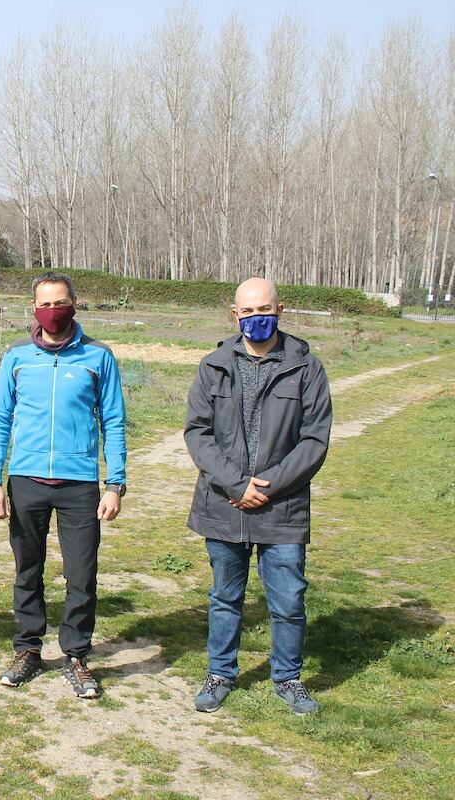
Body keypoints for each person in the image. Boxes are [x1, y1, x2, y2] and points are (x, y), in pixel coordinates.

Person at [184, 277, 332, 715]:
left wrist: (266, 487)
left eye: (263, 309)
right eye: (247, 312)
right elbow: (198, 433)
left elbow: (314, 440)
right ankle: (220, 673)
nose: (255, 318)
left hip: (282, 507)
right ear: (235, 315)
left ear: (280, 310)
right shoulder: (213, 365)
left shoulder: (307, 368)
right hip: (223, 504)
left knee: (288, 599)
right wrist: (236, 484)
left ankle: (288, 679)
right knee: (225, 597)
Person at [0, 272, 127, 697]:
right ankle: (28, 648)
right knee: (27, 570)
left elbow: (114, 422)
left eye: (60, 302)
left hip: (79, 483)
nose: (52, 311)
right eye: (44, 304)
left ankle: (77, 654)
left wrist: (115, 483)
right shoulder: (17, 357)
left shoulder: (98, 357)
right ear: (34, 309)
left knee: (81, 573)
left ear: (74, 305)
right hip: (26, 480)